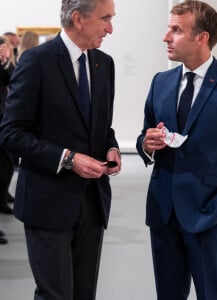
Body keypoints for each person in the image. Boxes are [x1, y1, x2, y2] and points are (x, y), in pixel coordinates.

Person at [136, 1, 217, 299]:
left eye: (176, 30)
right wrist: (146, 144)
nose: (166, 36)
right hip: (163, 212)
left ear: (201, 37)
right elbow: (146, 135)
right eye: (169, 28)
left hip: (211, 215)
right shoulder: (160, 82)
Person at [0, 0, 120, 299]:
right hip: (48, 201)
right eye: (105, 18)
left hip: (92, 202)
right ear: (78, 19)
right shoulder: (36, 61)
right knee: (56, 295)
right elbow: (11, 133)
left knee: (84, 293)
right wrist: (67, 159)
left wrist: (113, 148)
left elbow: (102, 127)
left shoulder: (104, 64)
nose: (110, 28)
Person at [0, 35, 15, 215]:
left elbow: (12, 79)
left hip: (3, 117)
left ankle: (2, 198)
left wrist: (4, 62)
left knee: (7, 162)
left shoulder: (4, 63)